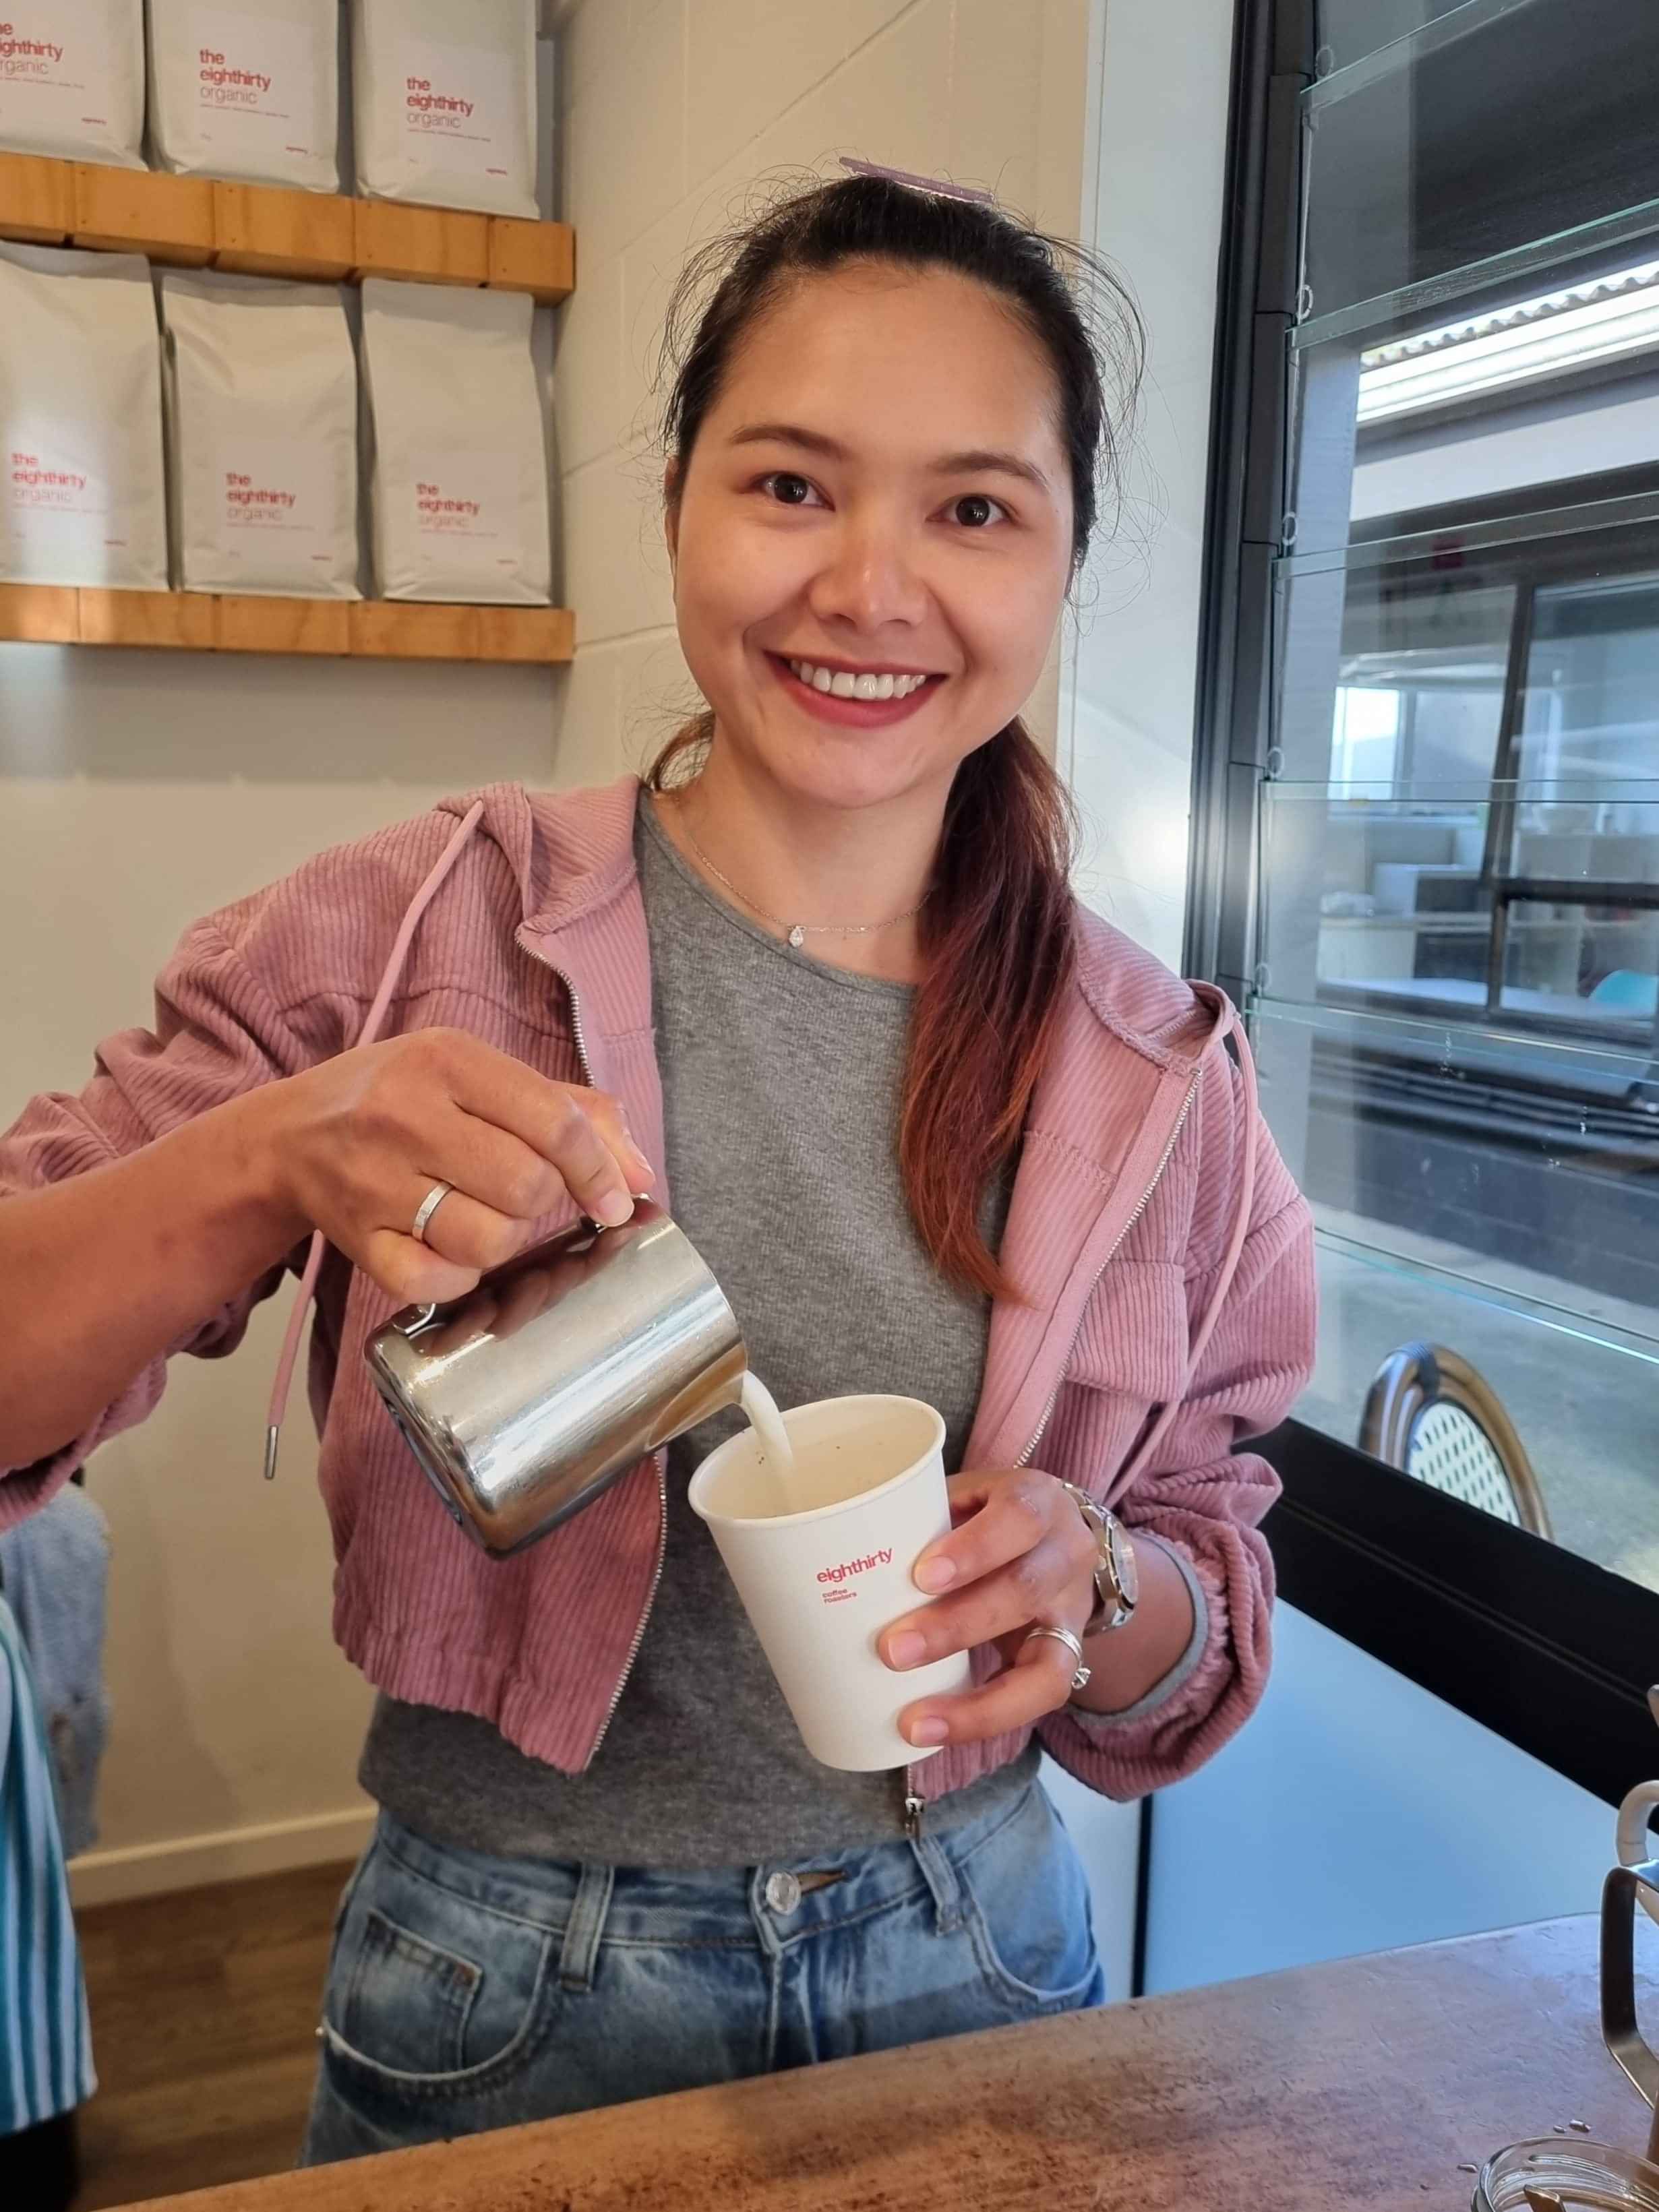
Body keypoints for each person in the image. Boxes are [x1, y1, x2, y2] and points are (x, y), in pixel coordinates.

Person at [0, 167, 1317, 2165]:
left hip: (979, 1948)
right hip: (501, 1975)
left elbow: (1196, 1609)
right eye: (791, 485)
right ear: (680, 499)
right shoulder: (413, 928)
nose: (870, 588)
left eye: (973, 510)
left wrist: (1100, 1576)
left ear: (1064, 560)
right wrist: (276, 1152)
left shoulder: (1153, 1070)